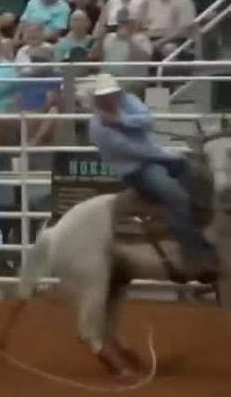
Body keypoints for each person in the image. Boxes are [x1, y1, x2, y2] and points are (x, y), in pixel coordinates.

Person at [88, 73, 218, 279]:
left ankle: (198, 224)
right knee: (176, 196)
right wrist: (165, 154)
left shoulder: (126, 102)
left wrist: (120, 120)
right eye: (106, 96)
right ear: (98, 100)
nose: (111, 99)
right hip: (136, 169)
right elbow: (131, 151)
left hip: (152, 157)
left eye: (112, 94)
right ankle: (194, 254)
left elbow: (147, 120)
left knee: (198, 174)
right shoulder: (98, 127)